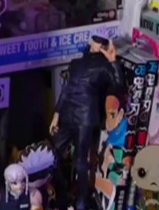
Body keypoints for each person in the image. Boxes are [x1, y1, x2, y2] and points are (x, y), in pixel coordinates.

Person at [51, 34, 121, 210]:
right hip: (71, 114)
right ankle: (64, 194)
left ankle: (81, 200)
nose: (96, 46)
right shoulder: (77, 63)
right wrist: (56, 115)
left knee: (80, 158)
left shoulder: (103, 67)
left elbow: (118, 85)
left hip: (84, 116)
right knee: (54, 154)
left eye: (100, 45)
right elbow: (66, 89)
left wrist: (113, 61)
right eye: (95, 43)